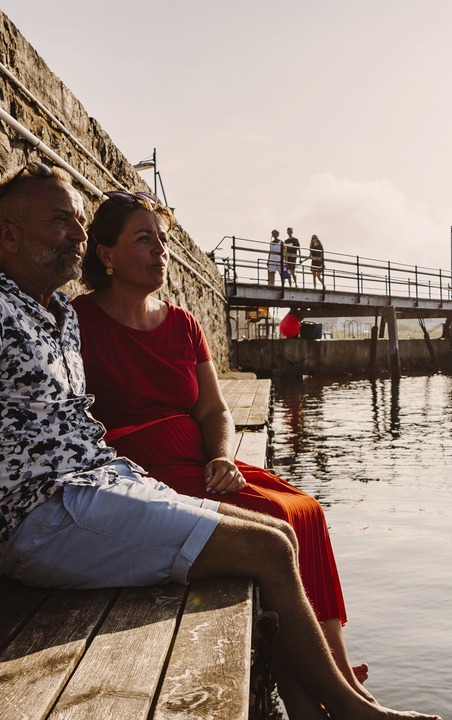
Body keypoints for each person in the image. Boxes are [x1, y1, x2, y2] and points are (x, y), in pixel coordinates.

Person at [0, 163, 438, 720]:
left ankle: (316, 708)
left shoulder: (59, 318)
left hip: (100, 489)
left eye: (76, 219)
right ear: (8, 236)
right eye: (59, 219)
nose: (75, 231)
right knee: (270, 552)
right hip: (49, 515)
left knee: (279, 532)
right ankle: (354, 714)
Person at [73, 191, 368, 699]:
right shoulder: (77, 322)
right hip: (138, 472)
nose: (160, 251)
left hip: (198, 459)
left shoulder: (183, 324)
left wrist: (220, 456)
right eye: (143, 240)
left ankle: (338, 676)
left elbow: (214, 410)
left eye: (163, 240)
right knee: (276, 520)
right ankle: (322, 695)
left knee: (309, 511)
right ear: (105, 253)